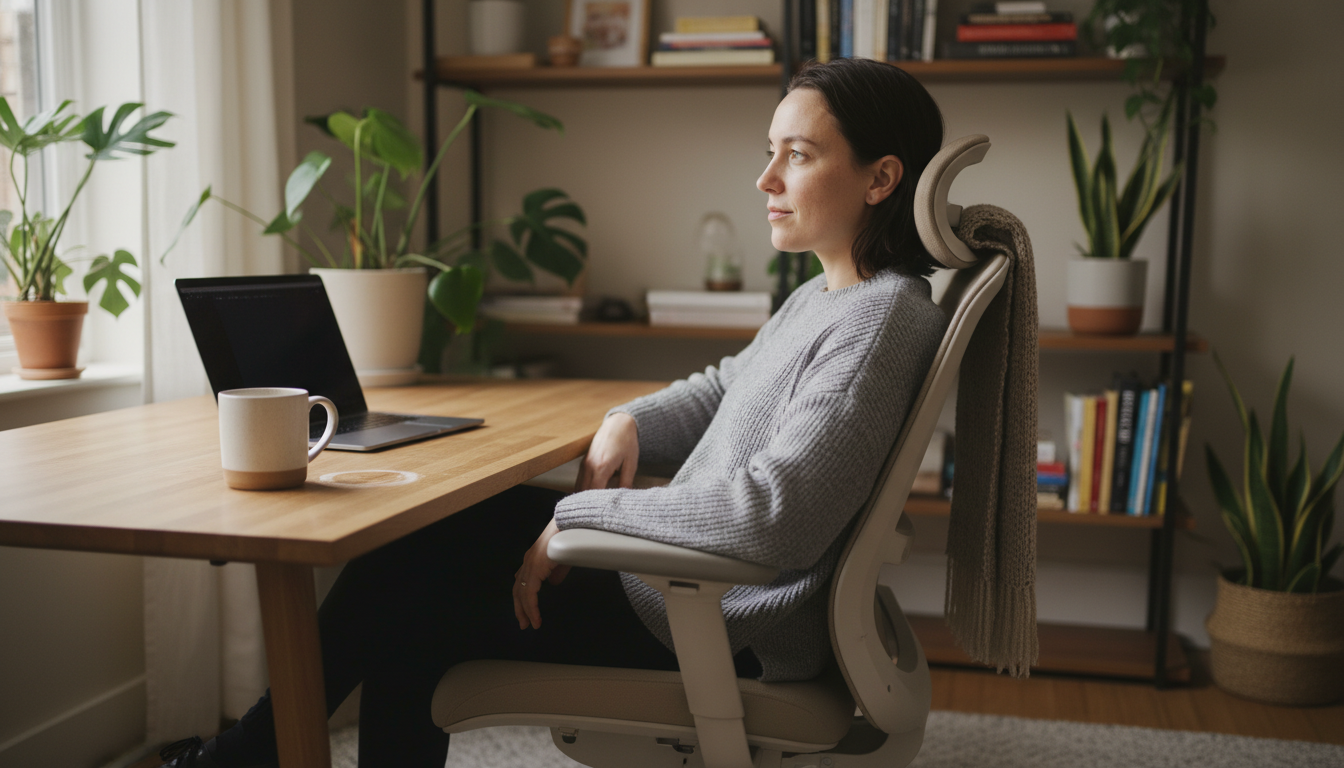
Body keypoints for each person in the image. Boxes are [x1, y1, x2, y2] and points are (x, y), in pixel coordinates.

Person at [160, 57, 950, 768]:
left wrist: (586, 517)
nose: (766, 178)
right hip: (682, 592)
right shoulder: (827, 295)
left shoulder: (877, 320)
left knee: (406, 582)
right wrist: (629, 418)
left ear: (881, 179)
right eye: (768, 151)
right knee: (416, 553)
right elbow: (725, 386)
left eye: (798, 155)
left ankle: (239, 759)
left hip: (718, 622)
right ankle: (246, 756)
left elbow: (774, 516)